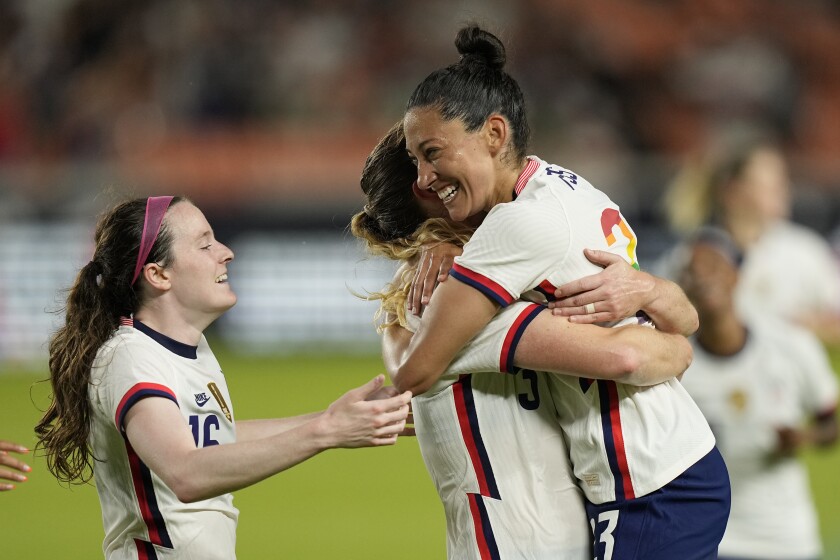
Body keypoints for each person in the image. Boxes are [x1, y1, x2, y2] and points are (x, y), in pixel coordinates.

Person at [386, 24, 730, 560]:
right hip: (673, 461)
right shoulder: (569, 187)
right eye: (415, 162)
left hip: (643, 480)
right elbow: (682, 325)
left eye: (433, 153)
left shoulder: (518, 226)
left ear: (494, 135)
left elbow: (415, 370)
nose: (424, 178)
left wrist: (444, 271)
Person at [352, 121, 700, 559]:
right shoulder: (453, 299)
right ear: (433, 194)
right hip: (515, 540)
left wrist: (653, 293)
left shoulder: (496, 278)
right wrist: (676, 344)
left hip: (557, 528)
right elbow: (629, 354)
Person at [34, 196, 411, 559]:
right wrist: (326, 431)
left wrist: (340, 417)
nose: (226, 252)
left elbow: (212, 437)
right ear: (158, 273)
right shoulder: (130, 356)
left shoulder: (188, 349)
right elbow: (186, 472)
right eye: (204, 245)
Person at [678, 226, 838, 560]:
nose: (703, 277)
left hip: (782, 538)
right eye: (693, 270)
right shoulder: (675, 365)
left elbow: (832, 421)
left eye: (713, 266)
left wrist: (804, 436)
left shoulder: (789, 345)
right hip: (710, 536)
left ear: (737, 275)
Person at [660, 138, 840, 344]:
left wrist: (806, 329)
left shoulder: (804, 250)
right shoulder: (690, 257)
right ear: (732, 190)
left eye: (782, 181)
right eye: (770, 183)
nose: (783, 189)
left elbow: (835, 317)